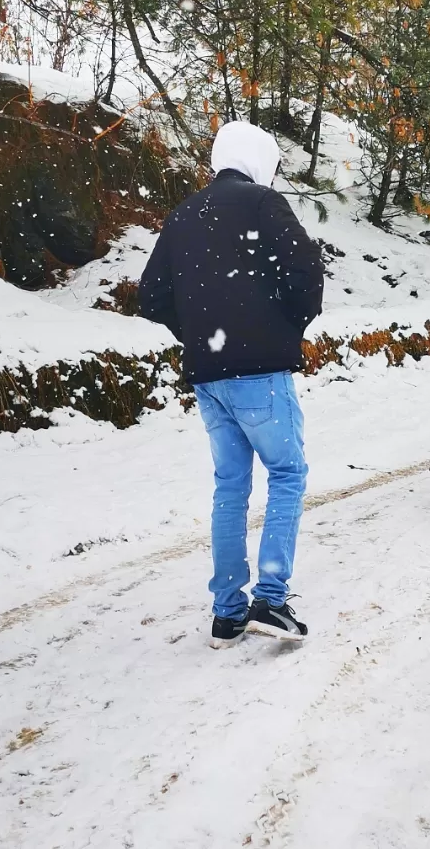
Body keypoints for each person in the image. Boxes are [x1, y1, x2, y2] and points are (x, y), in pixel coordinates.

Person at [138, 122, 324, 645]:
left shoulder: (182, 216)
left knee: (231, 486)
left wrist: (200, 331)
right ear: (260, 158)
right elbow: (305, 276)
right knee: (287, 474)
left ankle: (227, 611)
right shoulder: (264, 204)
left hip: (208, 374)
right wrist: (287, 324)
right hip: (260, 371)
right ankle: (270, 599)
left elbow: (151, 297)